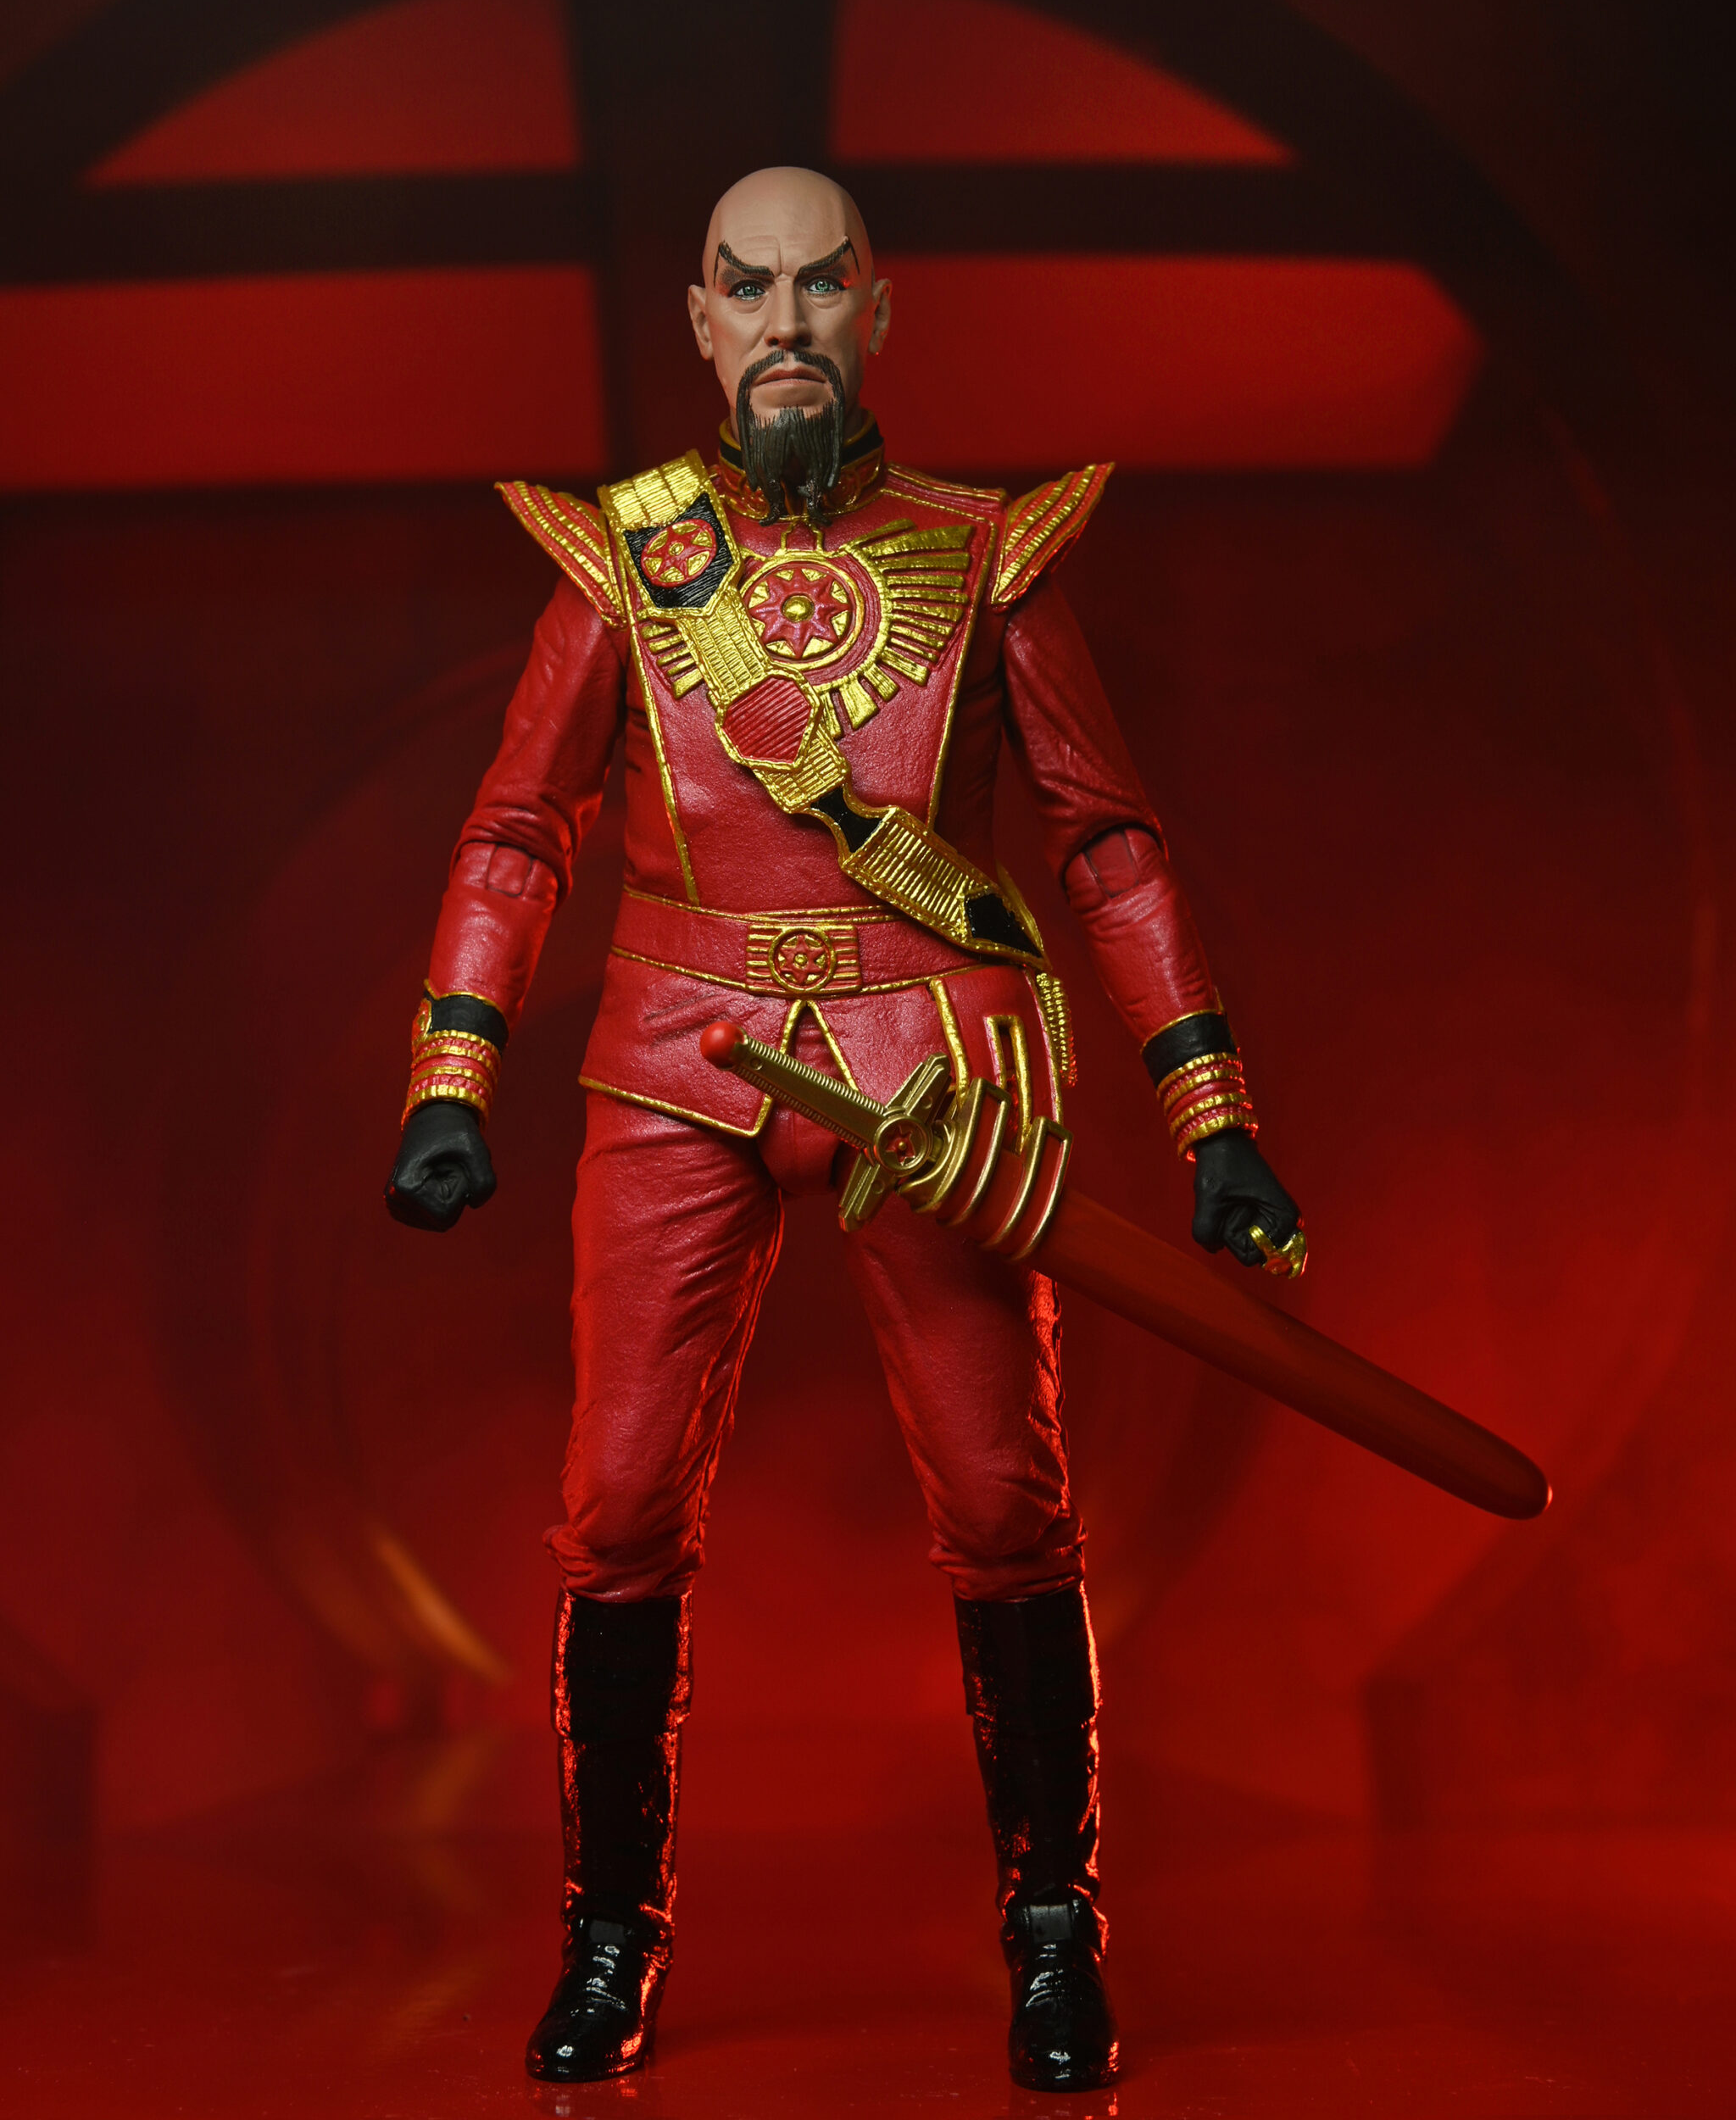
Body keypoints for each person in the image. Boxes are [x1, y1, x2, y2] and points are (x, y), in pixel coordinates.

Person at [386, 166, 1301, 2093]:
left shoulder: (986, 555)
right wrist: (453, 1071)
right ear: (702, 323)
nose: (786, 321)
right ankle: (610, 1931)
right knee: (617, 1510)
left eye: (821, 286)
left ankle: (1054, 1928)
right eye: (750, 287)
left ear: (879, 311)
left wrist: (1207, 1108)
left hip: (932, 1074)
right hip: (674, 1058)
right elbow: (520, 829)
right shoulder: (625, 562)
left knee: (1003, 1501)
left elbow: (1106, 840)